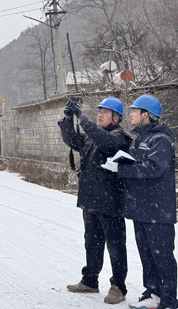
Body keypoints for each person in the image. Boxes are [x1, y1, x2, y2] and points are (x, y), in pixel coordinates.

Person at [101, 94, 178, 309]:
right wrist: (119, 163)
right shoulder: (139, 139)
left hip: (158, 209)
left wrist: (122, 168)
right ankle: (152, 293)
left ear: (146, 114)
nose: (131, 114)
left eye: (135, 111)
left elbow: (154, 168)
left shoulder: (160, 139)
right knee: (147, 254)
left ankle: (168, 299)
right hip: (141, 208)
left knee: (162, 255)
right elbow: (137, 165)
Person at [60, 96, 133, 305]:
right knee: (92, 242)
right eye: (98, 111)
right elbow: (72, 140)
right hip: (90, 200)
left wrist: (83, 118)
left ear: (116, 118)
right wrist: (68, 118)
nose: (99, 114)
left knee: (115, 246)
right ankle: (90, 279)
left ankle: (118, 286)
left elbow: (106, 142)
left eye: (105, 112)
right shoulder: (93, 136)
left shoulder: (120, 137)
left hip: (111, 203)